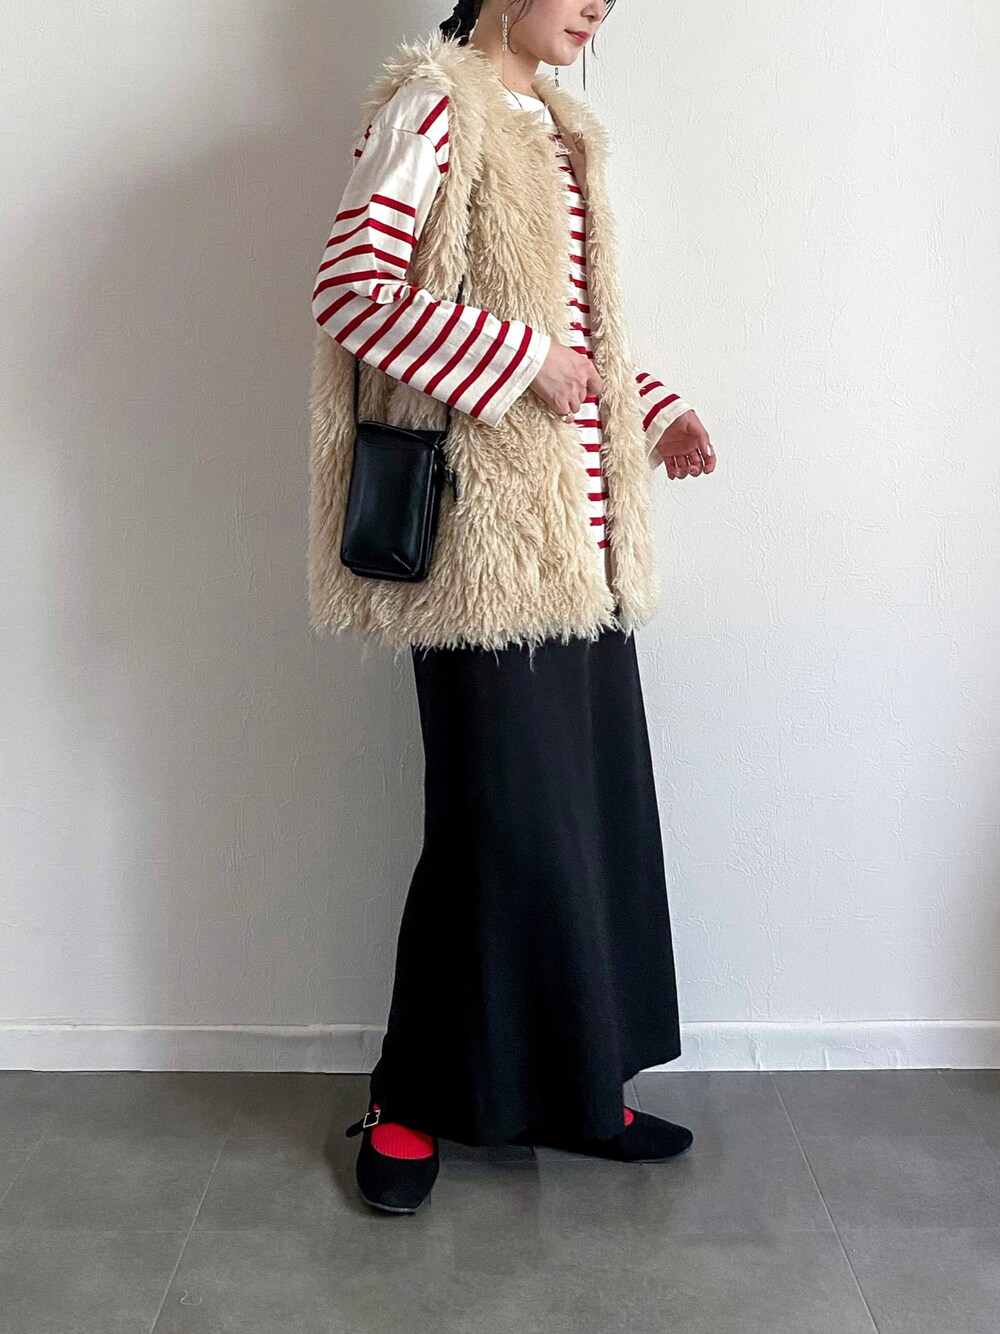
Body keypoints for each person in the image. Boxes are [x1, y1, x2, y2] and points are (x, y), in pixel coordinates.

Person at [308, 0, 716, 1215]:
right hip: (484, 553)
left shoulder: (565, 130)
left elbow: (582, 333)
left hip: (585, 551)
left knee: (590, 822)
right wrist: (519, 360)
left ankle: (580, 1090)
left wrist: (654, 410)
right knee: (492, 831)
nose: (599, 6)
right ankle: (405, 1098)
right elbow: (352, 289)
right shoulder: (432, 105)